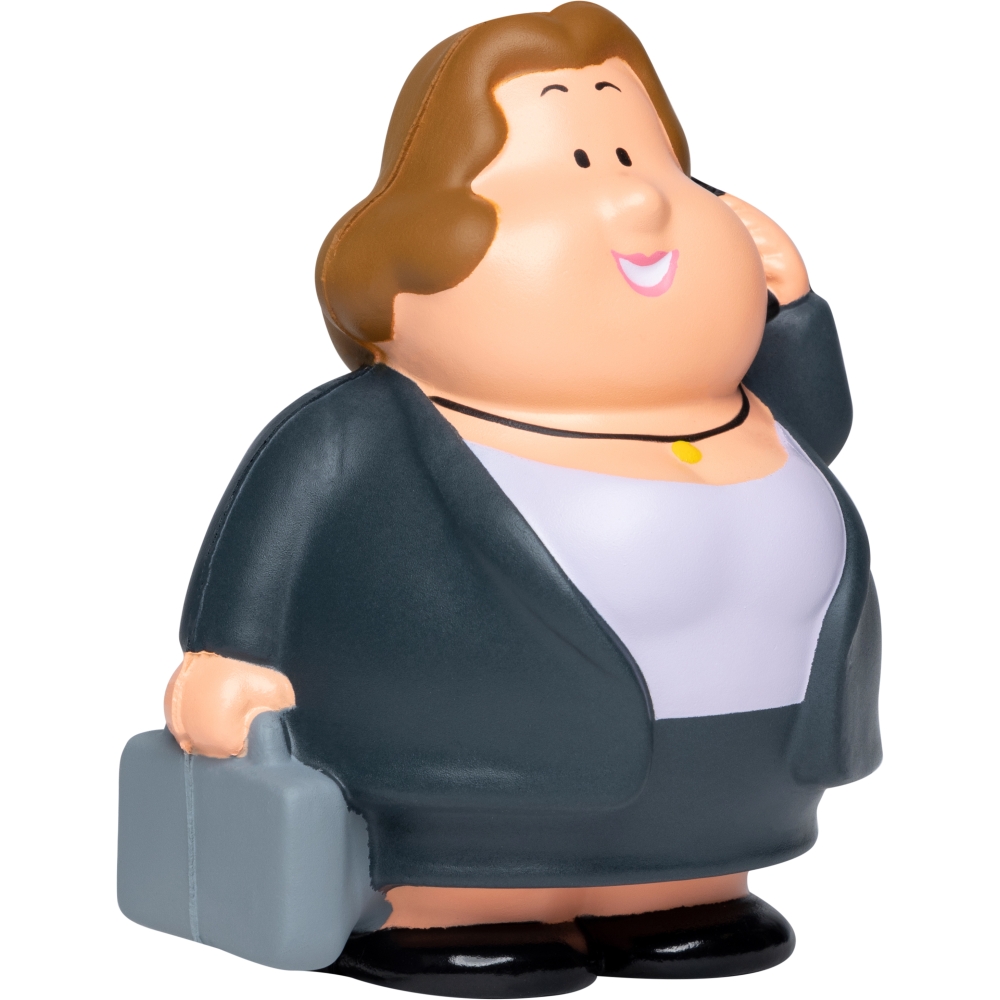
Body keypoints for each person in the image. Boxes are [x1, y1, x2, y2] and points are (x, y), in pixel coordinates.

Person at [163, 3, 881, 995]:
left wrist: (790, 310)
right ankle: (457, 908)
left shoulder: (741, 402)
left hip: (742, 768)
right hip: (477, 768)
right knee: (478, 859)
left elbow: (819, 429)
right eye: (580, 163)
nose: (639, 200)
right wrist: (227, 656)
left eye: (639, 155)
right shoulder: (374, 426)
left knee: (697, 849)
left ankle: (680, 892)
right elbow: (278, 525)